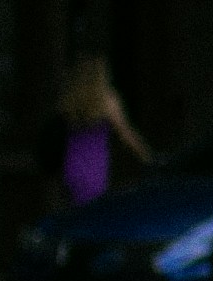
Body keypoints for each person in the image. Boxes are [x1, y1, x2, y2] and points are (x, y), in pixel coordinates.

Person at [50, 54, 152, 207]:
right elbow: (125, 133)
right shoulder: (107, 101)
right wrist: (146, 156)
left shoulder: (70, 99)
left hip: (72, 162)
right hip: (95, 165)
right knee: (92, 207)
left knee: (74, 208)